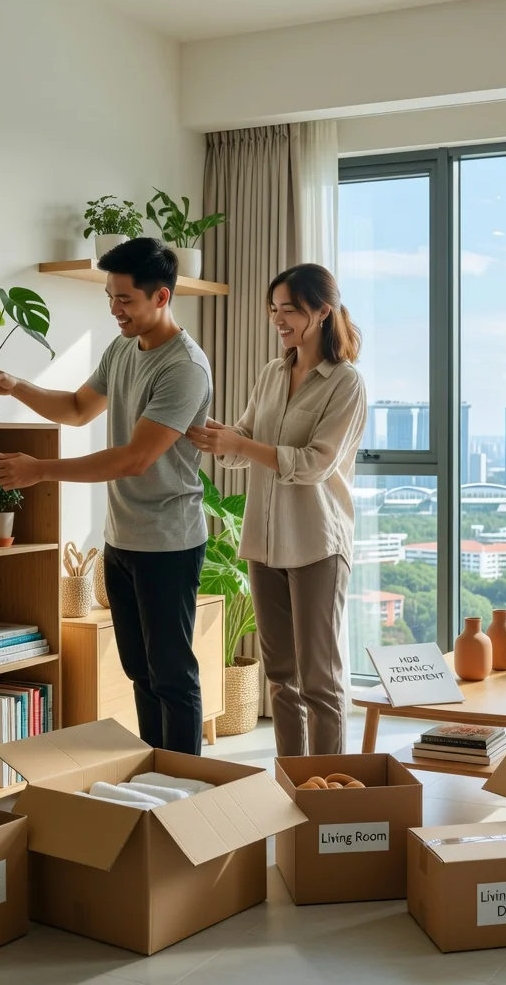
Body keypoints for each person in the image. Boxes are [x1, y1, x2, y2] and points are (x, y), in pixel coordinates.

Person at [0, 237, 212, 756]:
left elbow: (135, 458)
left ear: (161, 297)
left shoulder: (185, 368)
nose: (115, 310)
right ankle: (158, 772)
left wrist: (41, 470)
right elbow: (75, 408)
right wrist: (18, 385)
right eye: (110, 298)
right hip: (123, 538)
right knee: (139, 670)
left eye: (125, 300)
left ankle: (185, 786)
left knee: (172, 675)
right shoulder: (122, 349)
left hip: (169, 542)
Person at [187, 263, 366, 756]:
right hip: (264, 543)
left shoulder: (345, 383)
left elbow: (314, 464)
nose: (279, 319)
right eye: (274, 309)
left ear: (322, 312)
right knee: (281, 679)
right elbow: (247, 435)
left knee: (320, 681)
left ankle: (330, 794)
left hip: (316, 544)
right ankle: (293, 785)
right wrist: (218, 436)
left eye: (290, 309)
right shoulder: (272, 373)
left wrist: (242, 447)